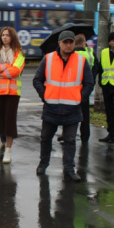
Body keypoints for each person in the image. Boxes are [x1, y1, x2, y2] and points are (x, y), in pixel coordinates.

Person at [32, 30, 94, 181]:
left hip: (72, 108)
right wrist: (45, 95)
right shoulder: (48, 59)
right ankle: (43, 163)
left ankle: (69, 169)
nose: (68, 45)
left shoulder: (81, 60)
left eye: (70, 42)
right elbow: (37, 80)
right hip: (51, 107)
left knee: (70, 140)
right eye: (65, 42)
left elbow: (89, 83)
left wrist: (80, 97)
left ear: (74, 43)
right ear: (59, 43)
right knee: (46, 137)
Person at [0, 26, 25, 164]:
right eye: (3, 35)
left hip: (13, 92)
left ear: (12, 37)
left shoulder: (18, 53)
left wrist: (0, 71)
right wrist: (5, 66)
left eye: (7, 35)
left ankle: (8, 150)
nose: (4, 37)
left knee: (10, 121)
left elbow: (15, 71)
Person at [73, 34, 96, 144]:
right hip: (86, 88)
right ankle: (85, 137)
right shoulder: (90, 54)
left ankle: (68, 135)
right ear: (83, 43)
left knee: (70, 113)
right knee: (85, 115)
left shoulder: (71, 54)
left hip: (72, 88)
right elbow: (97, 68)